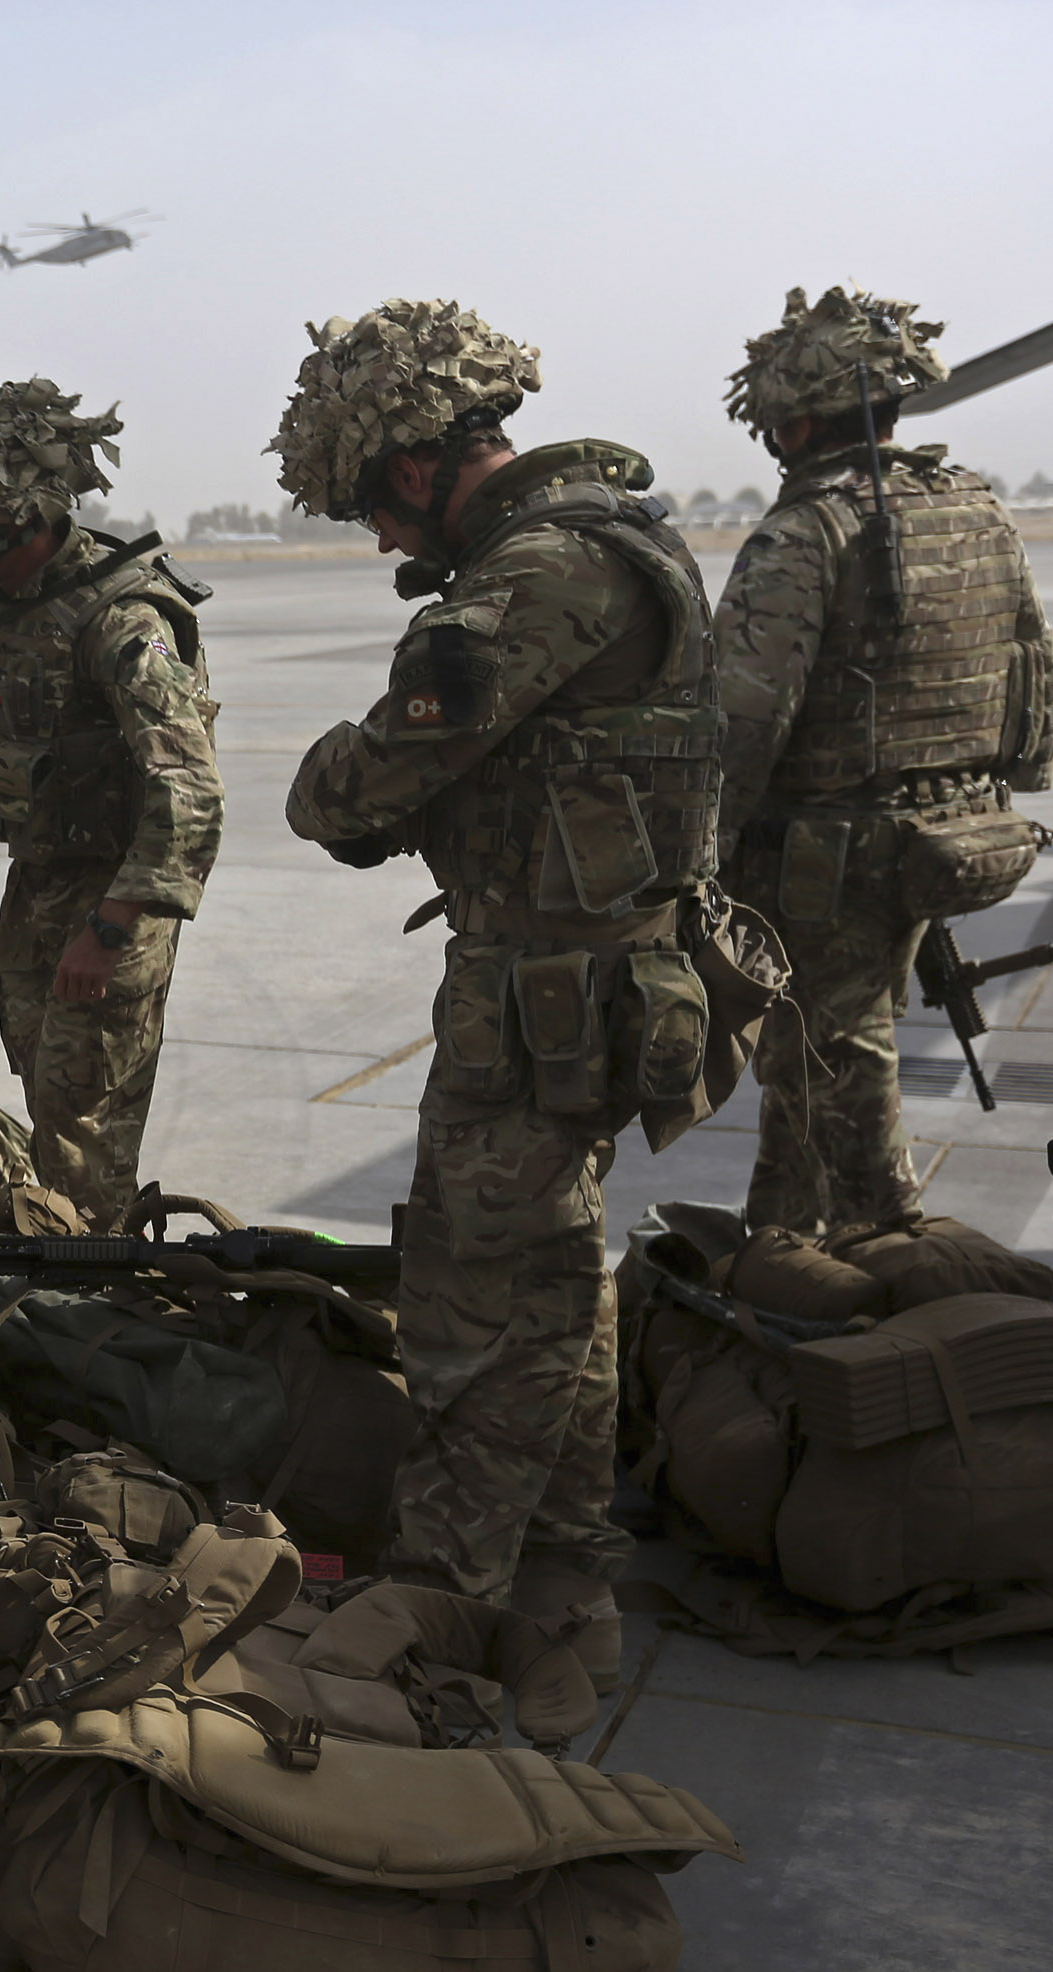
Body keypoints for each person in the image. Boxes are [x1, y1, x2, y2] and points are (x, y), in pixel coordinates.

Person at [273, 299, 728, 1678]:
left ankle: (442, 1606)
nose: (381, 540)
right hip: (602, 982)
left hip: (539, 1005)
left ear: (416, 466)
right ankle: (569, 1563)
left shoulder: (536, 571)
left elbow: (362, 783)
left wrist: (326, 779)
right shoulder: (623, 535)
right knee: (557, 1278)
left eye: (374, 507)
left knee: (470, 1306)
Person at [714, 286, 1053, 1232]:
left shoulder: (807, 529)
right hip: (958, 836)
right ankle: (778, 1251)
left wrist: (692, 853)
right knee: (807, 1065)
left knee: (838, 1066)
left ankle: (902, 1263)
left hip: (831, 861)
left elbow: (740, 724)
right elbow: (1032, 671)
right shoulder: (979, 508)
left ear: (796, 422)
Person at [0, 368, 221, 1226]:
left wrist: (111, 929)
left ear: (20, 522)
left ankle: (93, 1273)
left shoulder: (121, 618)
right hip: (36, 879)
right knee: (44, 1085)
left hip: (114, 892)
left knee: (85, 1117)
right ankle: (71, 1254)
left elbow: (188, 789)